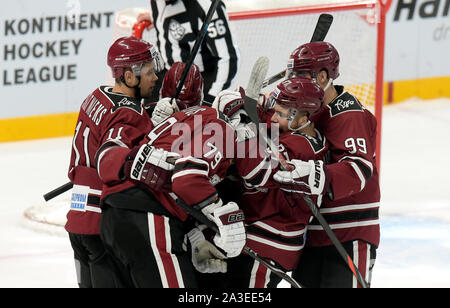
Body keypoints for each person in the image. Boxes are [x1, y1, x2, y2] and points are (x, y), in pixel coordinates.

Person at [94, 61, 247, 288]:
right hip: (148, 216)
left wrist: (195, 237)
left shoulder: (176, 120)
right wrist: (221, 214)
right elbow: (187, 178)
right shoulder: (220, 126)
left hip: (111, 216)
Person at [193, 77, 328, 288]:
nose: (274, 118)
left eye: (281, 114)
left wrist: (240, 123)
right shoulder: (296, 132)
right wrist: (247, 105)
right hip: (261, 232)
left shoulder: (301, 147)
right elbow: (269, 125)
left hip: (272, 239)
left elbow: (255, 171)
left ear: (303, 120)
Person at [274, 41, 380, 288]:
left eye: (299, 74)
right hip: (312, 233)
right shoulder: (306, 109)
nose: (293, 80)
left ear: (322, 77)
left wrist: (313, 174)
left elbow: (359, 168)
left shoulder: (348, 114)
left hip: (349, 232)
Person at [65, 35, 162, 287]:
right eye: (150, 72)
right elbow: (113, 149)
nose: (155, 78)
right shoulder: (131, 115)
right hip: (101, 226)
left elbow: (108, 124)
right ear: (129, 76)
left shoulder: (96, 96)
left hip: (77, 217)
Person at [138, 0, 240, 104]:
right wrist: (155, 16)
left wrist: (209, 99)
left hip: (199, 87)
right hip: (165, 80)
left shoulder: (207, 5)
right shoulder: (157, 3)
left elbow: (229, 58)